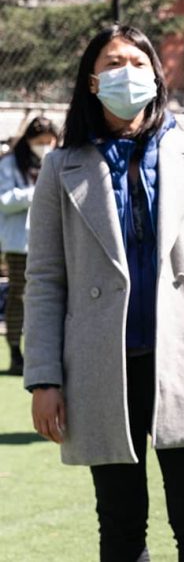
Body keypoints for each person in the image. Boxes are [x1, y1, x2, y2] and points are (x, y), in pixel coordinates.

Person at [22, 25, 184, 561]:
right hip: (101, 363)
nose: (128, 72)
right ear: (93, 82)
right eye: (113, 62)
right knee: (121, 526)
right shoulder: (60, 166)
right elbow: (46, 278)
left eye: (138, 61)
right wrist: (44, 378)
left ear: (156, 74)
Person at [0, 116, 58, 375]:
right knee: (19, 297)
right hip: (19, 242)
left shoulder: (56, 160)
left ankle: (48, 353)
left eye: (49, 142)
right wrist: (36, 192)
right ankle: (15, 352)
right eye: (40, 142)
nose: (45, 146)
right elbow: (4, 199)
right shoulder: (11, 162)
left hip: (51, 239)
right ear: (29, 140)